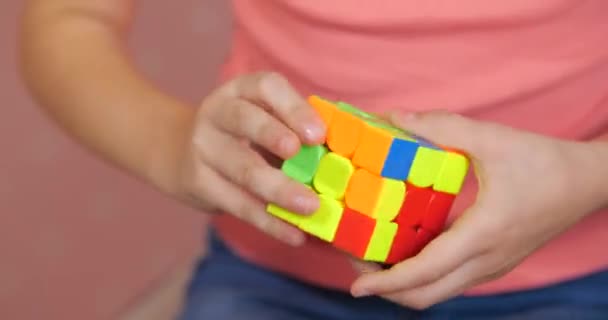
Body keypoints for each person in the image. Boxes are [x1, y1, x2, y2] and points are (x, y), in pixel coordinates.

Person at [19, 1, 608, 319]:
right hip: (276, 271)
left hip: (568, 274)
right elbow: (70, 17)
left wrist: (586, 176)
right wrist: (173, 145)